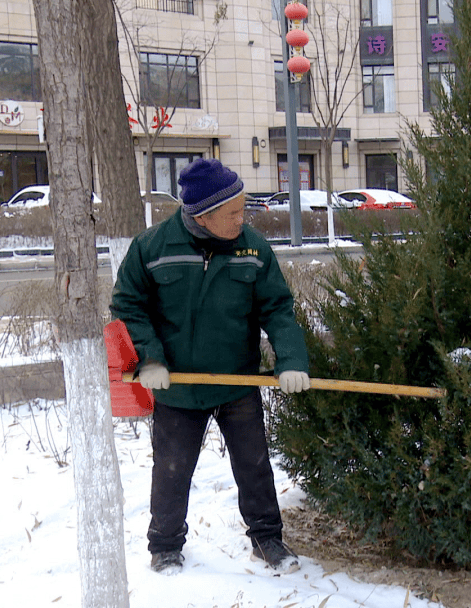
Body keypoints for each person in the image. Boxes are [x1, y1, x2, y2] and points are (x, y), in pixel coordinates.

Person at [110, 158, 311, 574]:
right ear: (201, 215)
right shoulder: (153, 248)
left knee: (255, 465)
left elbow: (278, 308)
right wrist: (149, 358)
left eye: (243, 209)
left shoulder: (253, 248)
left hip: (237, 382)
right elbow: (128, 305)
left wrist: (291, 360)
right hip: (178, 386)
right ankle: (164, 545)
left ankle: (267, 539)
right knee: (171, 469)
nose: (243, 219)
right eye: (233, 213)